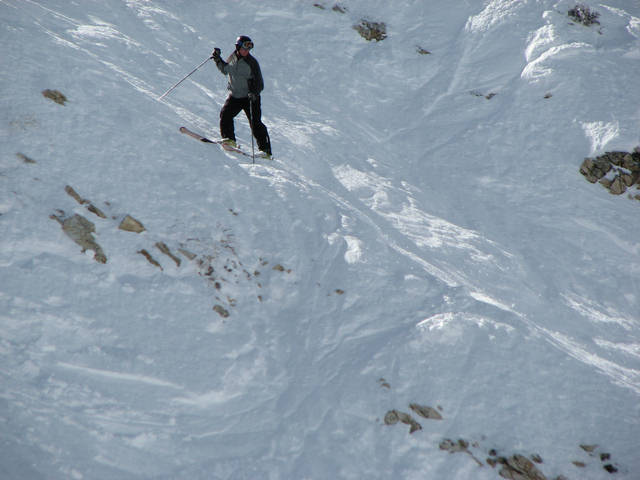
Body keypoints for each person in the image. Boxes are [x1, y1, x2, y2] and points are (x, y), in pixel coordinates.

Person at [211, 36, 272, 157]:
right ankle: (229, 140)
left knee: (255, 123)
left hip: (250, 98)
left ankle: (266, 151)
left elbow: (260, 83)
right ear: (238, 47)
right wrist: (217, 59)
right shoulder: (232, 58)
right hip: (235, 96)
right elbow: (225, 69)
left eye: (248, 49)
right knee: (225, 114)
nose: (246, 51)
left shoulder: (252, 63)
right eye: (244, 48)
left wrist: (254, 93)